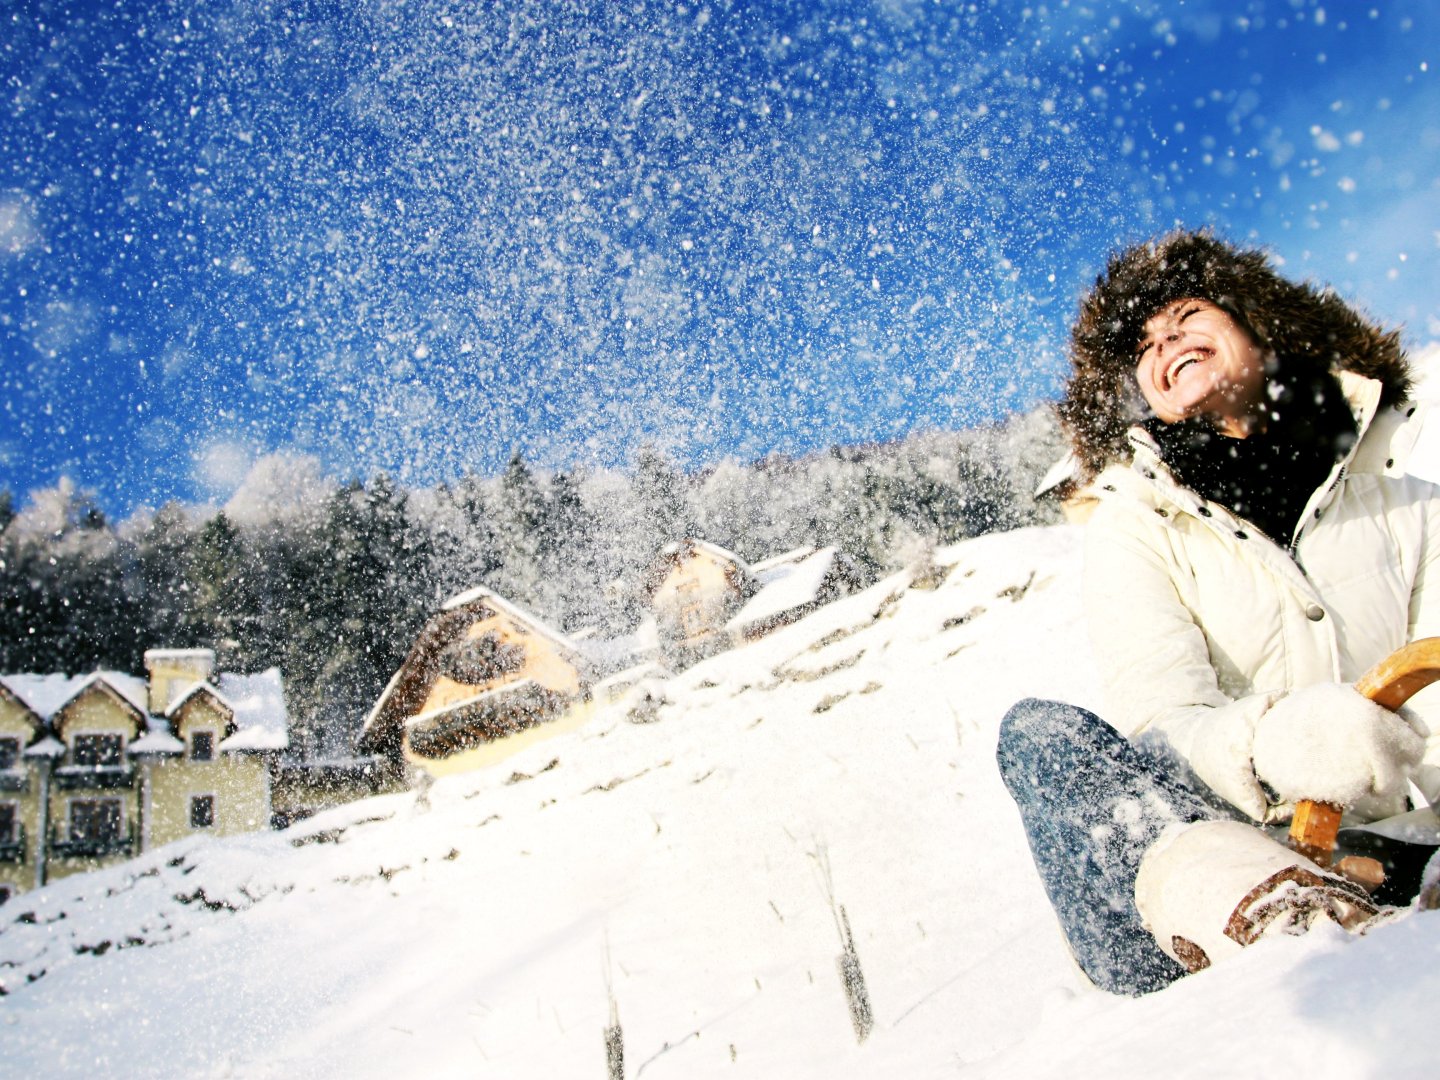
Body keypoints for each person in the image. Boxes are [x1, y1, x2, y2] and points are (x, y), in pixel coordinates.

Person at [997, 230, 1440, 996]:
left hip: (1405, 843)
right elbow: (1165, 722)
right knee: (1042, 740)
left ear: (1257, 321)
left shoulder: (1408, 498)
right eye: (1141, 344)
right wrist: (1274, 746)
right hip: (1212, 863)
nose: (1164, 342)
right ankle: (1273, 913)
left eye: (1185, 314)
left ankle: (1372, 895)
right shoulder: (1135, 528)